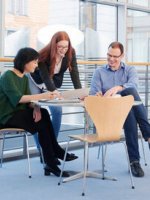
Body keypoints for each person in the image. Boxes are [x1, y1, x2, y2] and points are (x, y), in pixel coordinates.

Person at [0, 47, 78, 177]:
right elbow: (18, 98)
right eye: (35, 62)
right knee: (42, 121)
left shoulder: (24, 78)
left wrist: (36, 107)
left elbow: (29, 100)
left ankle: (52, 161)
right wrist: (43, 96)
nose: (37, 66)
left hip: (19, 114)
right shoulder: (8, 75)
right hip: (6, 117)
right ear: (25, 61)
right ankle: (53, 158)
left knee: (44, 113)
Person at [90, 41, 150, 178]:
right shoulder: (99, 72)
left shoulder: (130, 70)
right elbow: (94, 94)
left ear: (122, 56)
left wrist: (118, 88)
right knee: (130, 93)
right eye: (109, 55)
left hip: (125, 111)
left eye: (115, 56)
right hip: (109, 113)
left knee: (129, 103)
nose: (111, 59)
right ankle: (148, 134)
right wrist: (98, 95)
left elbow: (133, 84)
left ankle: (134, 162)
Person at [27, 31, 82, 160]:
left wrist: (79, 93)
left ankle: (52, 149)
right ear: (54, 45)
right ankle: (43, 152)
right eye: (60, 47)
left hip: (51, 83)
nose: (63, 50)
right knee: (37, 115)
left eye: (66, 46)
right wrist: (54, 92)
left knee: (57, 110)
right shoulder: (43, 55)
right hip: (35, 82)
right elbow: (45, 77)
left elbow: (74, 73)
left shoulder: (70, 53)